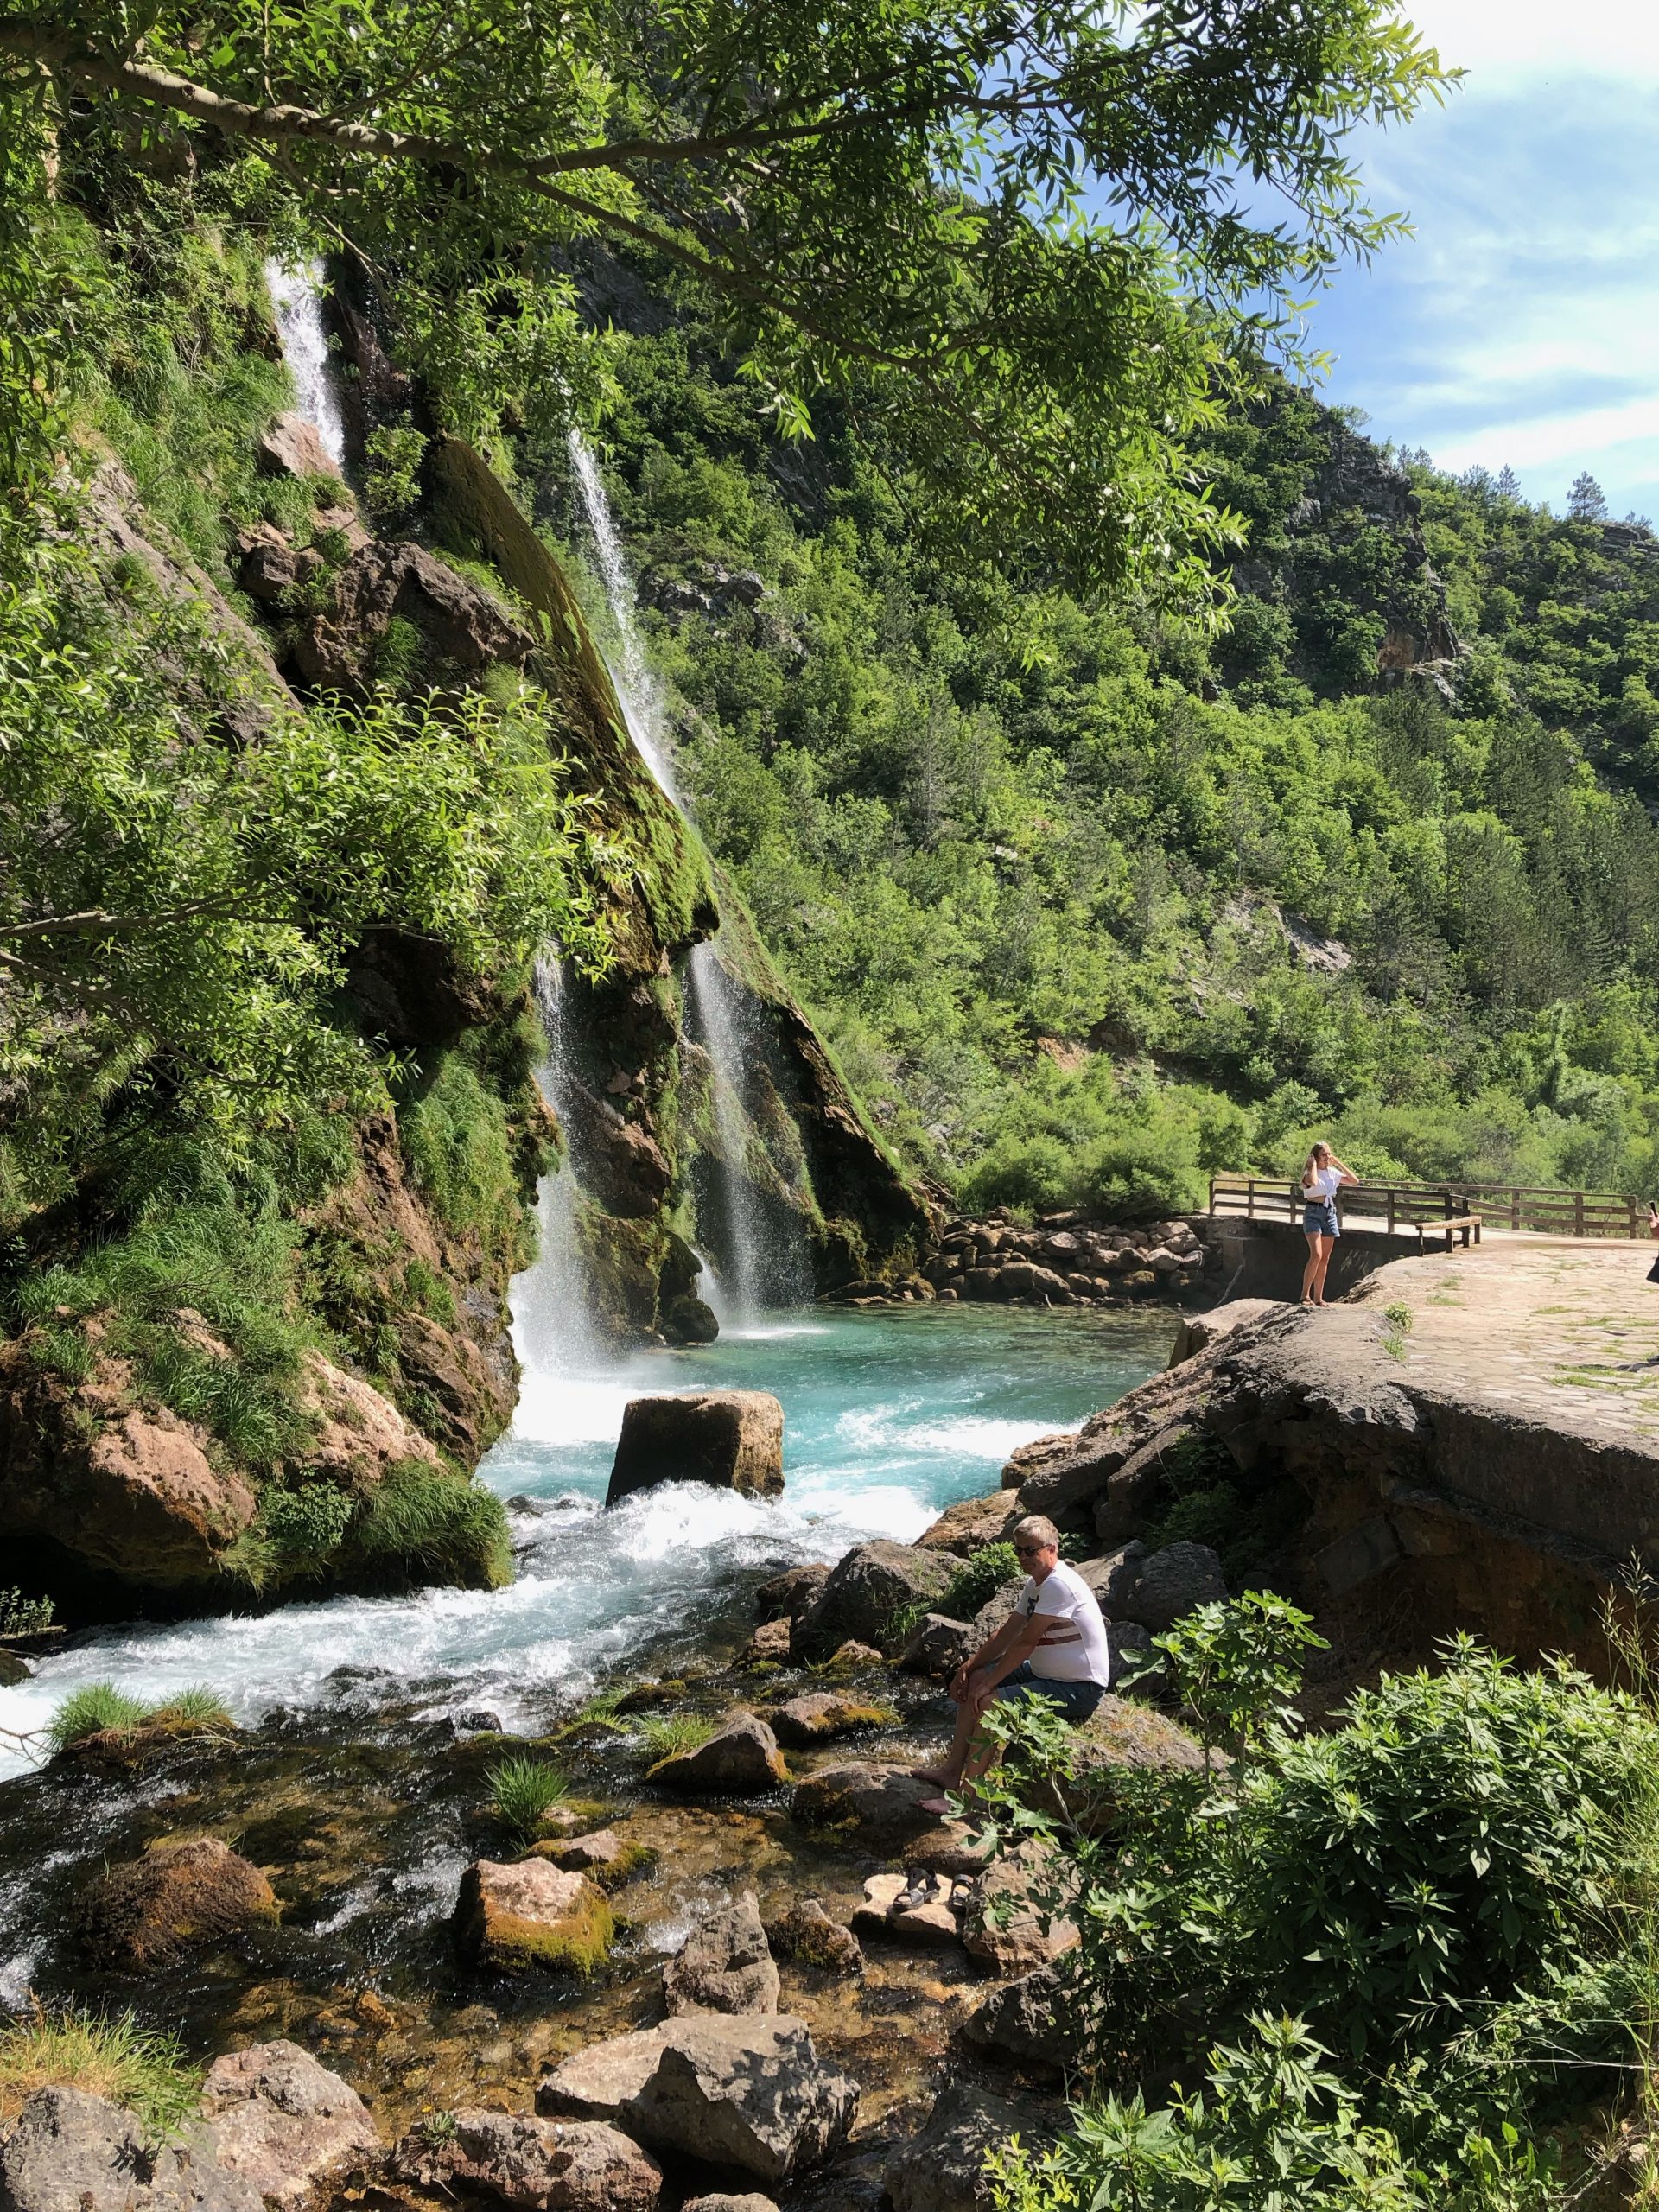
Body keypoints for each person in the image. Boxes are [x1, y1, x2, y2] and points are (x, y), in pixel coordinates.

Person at [912, 1514, 1110, 1813]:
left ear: (1052, 1549)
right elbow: (1006, 1633)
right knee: (975, 1680)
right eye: (1019, 1550)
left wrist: (990, 1686)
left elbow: (1026, 1642)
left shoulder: (1059, 1585)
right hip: (1046, 1673)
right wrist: (968, 1668)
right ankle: (952, 1773)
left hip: (1079, 1687)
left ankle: (965, 1799)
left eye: (1031, 1550)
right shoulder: (1036, 1585)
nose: (1024, 1557)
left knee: (991, 1703)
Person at [1300, 1141, 1357, 1306]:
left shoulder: (1333, 1172)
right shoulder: (1309, 1172)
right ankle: (1305, 1295)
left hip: (1329, 1213)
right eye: (1324, 1155)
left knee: (1325, 1258)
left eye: (1329, 1154)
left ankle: (1318, 1297)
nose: (1327, 1157)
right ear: (1316, 1157)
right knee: (1316, 1254)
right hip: (1313, 1212)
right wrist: (1313, 1165)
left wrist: (1338, 1162)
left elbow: (1354, 1180)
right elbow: (1313, 1183)